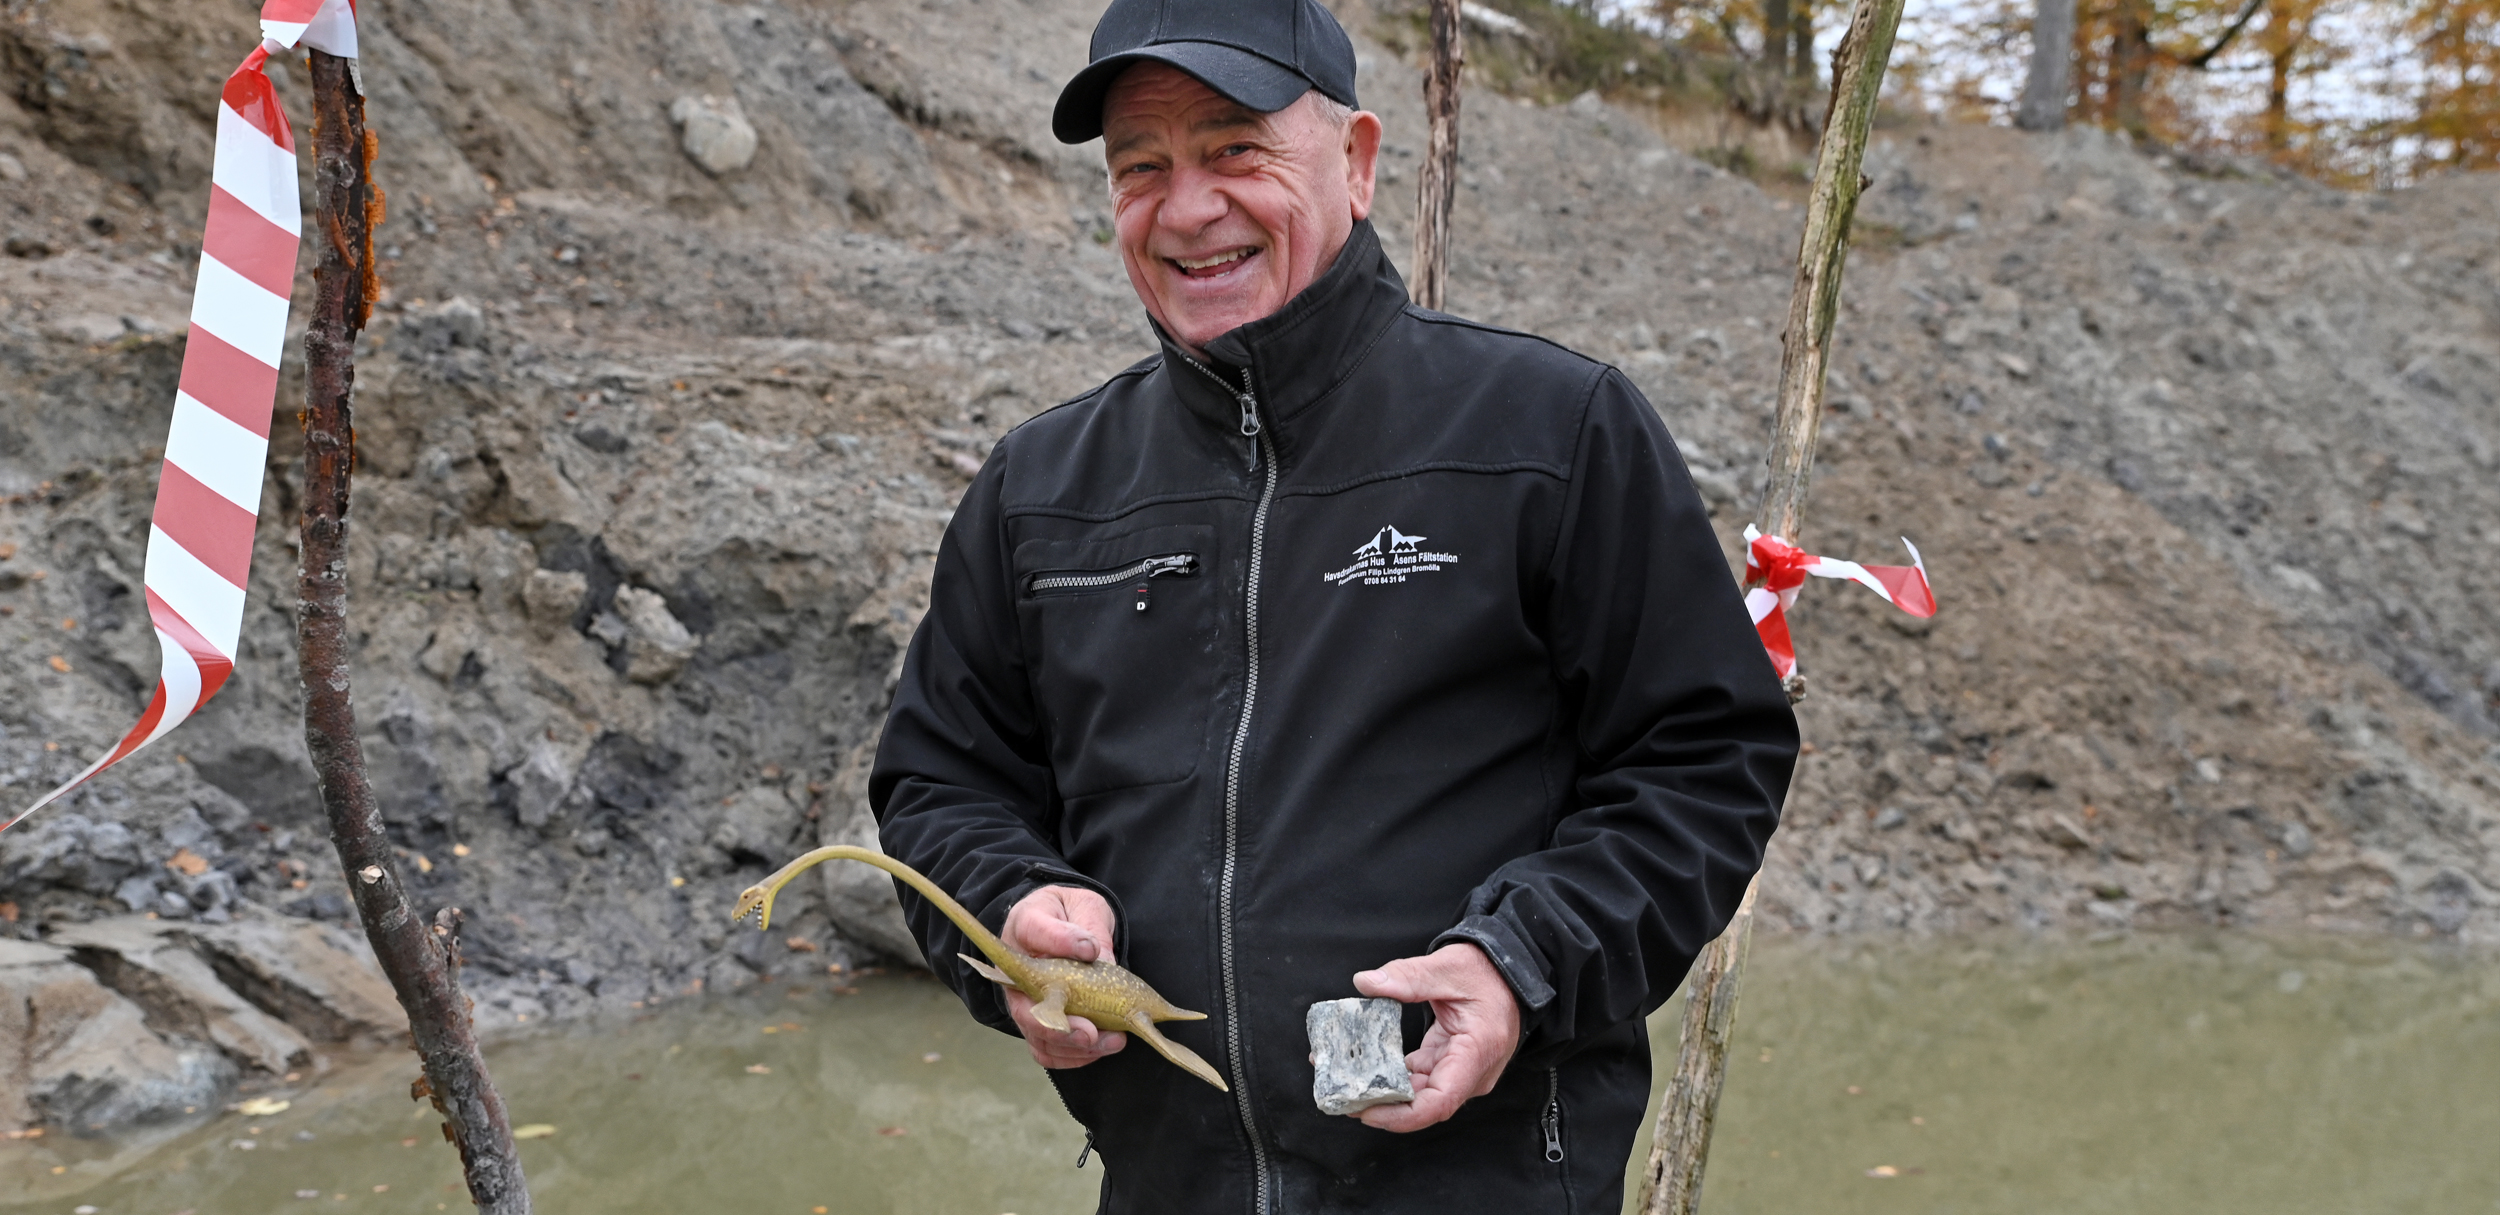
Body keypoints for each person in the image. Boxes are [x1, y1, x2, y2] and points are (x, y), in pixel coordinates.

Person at [867, 0, 1799, 1209]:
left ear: (1355, 162)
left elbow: (1706, 761)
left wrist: (1517, 961)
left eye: (1233, 150)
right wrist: (1006, 919)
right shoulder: (1040, 490)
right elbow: (943, 784)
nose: (1187, 207)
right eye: (1139, 167)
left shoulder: (1549, 432)